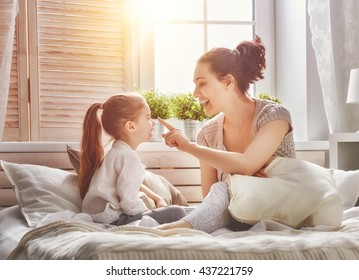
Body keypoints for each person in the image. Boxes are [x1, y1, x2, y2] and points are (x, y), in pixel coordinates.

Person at [157, 35, 296, 233]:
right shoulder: (207, 133)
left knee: (225, 188)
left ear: (228, 82)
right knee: (176, 210)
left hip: (284, 211)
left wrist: (189, 147)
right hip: (237, 215)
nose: (195, 93)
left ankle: (173, 230)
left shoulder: (274, 116)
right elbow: (211, 199)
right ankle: (147, 224)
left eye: (202, 83)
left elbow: (247, 164)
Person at [79, 93, 186, 225]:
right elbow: (129, 203)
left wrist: (157, 198)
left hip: (105, 217)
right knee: (176, 213)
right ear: (131, 126)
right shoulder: (127, 156)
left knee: (183, 212)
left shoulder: (119, 151)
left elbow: (134, 184)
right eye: (148, 117)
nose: (152, 123)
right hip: (115, 220)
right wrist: (149, 211)